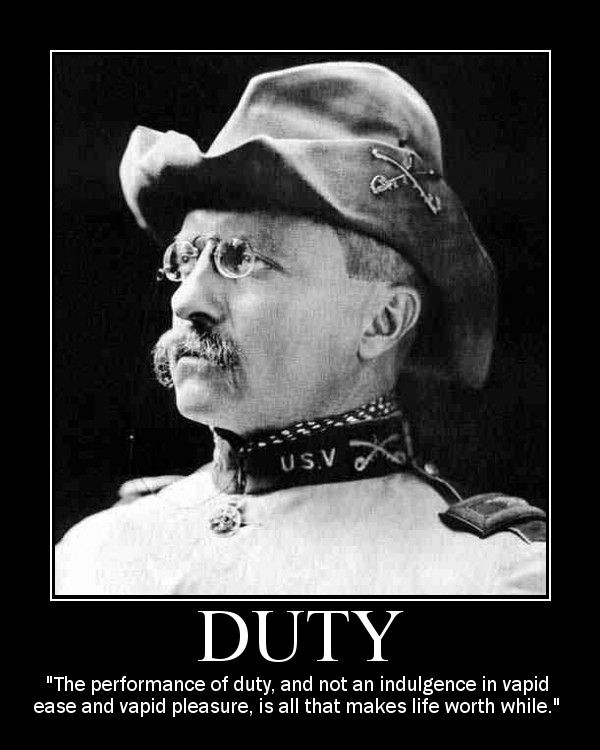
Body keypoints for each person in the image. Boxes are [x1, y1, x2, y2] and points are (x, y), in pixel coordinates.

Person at [55, 61, 546, 596]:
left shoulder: (494, 577)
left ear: (383, 322)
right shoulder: (92, 558)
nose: (186, 297)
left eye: (241, 258)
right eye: (186, 257)